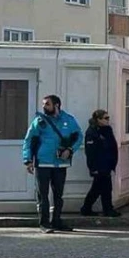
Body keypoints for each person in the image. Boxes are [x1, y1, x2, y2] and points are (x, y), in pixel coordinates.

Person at [22, 95, 83, 233]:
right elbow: (29, 140)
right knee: (43, 195)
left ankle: (57, 221)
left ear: (56, 105)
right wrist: (28, 160)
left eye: (47, 104)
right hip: (43, 162)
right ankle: (44, 224)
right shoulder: (39, 121)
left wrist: (70, 149)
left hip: (61, 164)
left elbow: (79, 136)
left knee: (58, 195)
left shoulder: (68, 120)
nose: (44, 106)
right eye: (43, 104)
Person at [81, 110, 121, 217]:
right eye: (105, 118)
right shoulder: (92, 132)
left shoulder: (107, 130)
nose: (108, 120)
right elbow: (91, 152)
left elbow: (112, 146)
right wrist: (93, 167)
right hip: (99, 165)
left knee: (99, 188)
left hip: (107, 163)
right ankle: (106, 209)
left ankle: (88, 208)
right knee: (104, 188)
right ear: (98, 119)